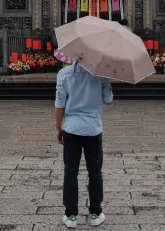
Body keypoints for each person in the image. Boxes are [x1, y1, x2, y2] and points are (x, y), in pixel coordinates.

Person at [55, 61, 113, 228]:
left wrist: (58, 128)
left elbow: (59, 105)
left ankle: (71, 216)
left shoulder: (63, 74)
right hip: (93, 130)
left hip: (71, 129)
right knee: (95, 171)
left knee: (70, 172)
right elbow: (108, 100)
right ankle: (95, 212)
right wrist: (107, 84)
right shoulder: (101, 75)